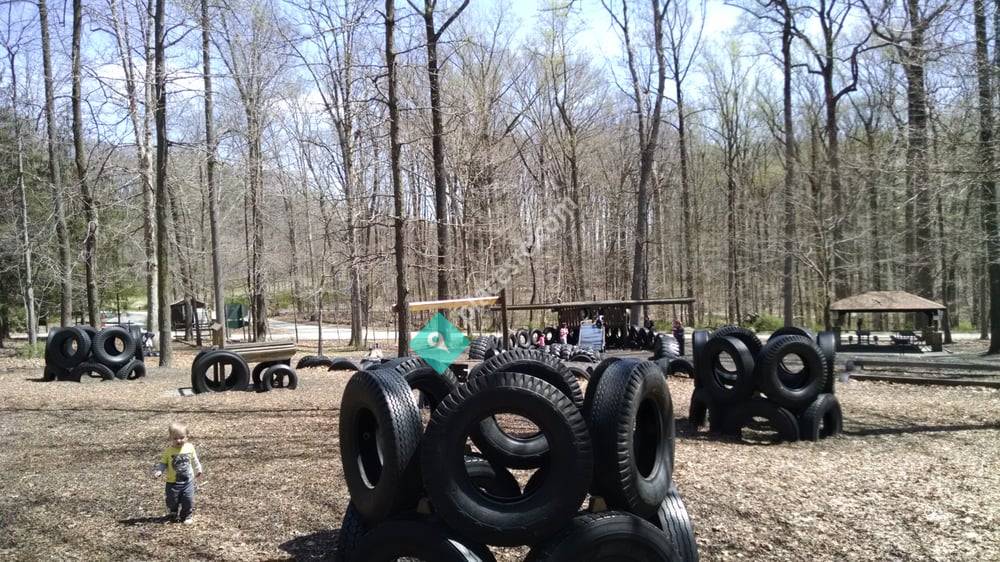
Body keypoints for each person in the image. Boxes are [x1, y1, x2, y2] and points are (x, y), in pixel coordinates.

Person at [153, 422, 204, 524]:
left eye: (181, 437)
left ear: (187, 437)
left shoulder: (190, 447)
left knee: (188, 499)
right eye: (175, 438)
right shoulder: (168, 451)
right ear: (170, 438)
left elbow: (194, 460)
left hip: (188, 481)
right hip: (172, 482)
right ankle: (173, 511)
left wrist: (198, 469)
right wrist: (159, 470)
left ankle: (187, 515)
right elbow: (163, 463)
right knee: (172, 500)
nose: (178, 440)